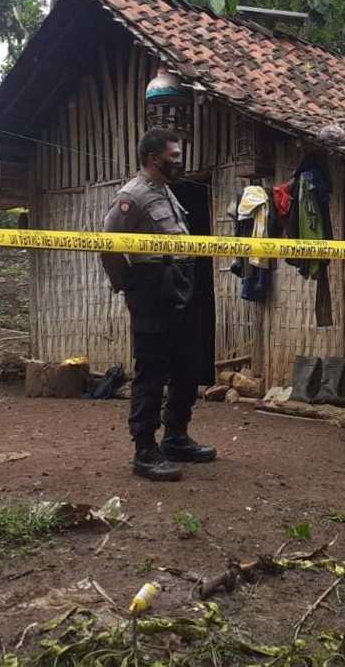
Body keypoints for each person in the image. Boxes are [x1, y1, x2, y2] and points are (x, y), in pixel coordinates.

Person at [100, 128, 217, 481]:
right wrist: (126, 283)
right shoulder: (131, 197)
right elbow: (108, 244)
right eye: (174, 156)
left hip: (179, 281)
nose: (179, 162)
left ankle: (176, 437)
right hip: (152, 285)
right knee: (152, 367)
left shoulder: (165, 191)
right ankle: (144, 450)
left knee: (187, 363)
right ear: (154, 158)